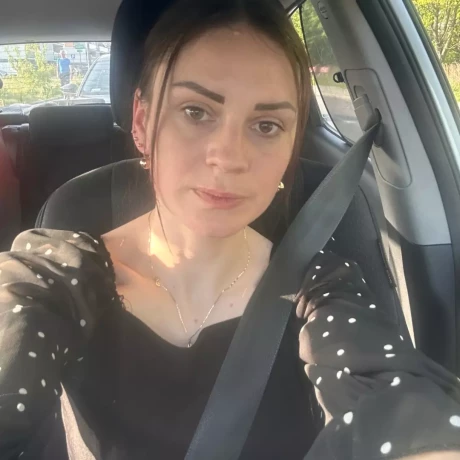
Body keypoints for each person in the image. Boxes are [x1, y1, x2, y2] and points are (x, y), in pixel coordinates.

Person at [1, 0, 460, 459]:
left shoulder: (322, 287)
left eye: (266, 125)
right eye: (196, 111)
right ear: (141, 122)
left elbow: (390, 397)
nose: (229, 157)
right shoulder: (55, 278)